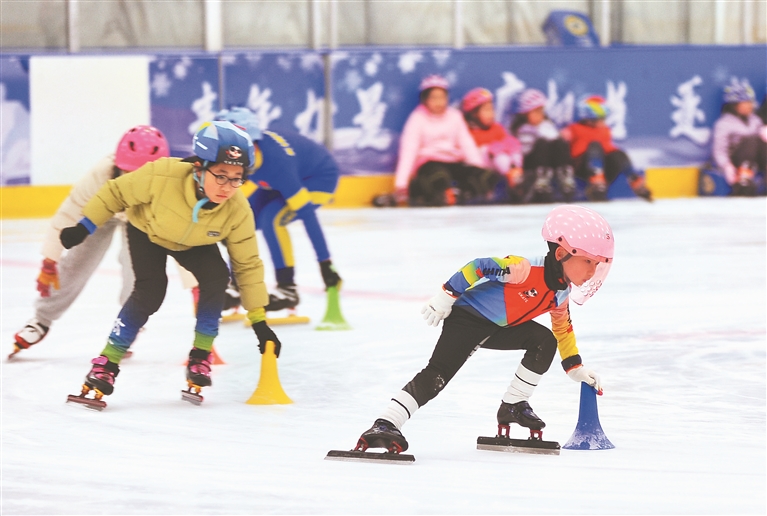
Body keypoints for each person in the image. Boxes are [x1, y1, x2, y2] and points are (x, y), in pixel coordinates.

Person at [354, 204, 613, 454]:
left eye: (598, 264)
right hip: (468, 319)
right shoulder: (521, 269)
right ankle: (386, 423)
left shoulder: (560, 294)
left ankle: (513, 404)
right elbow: (477, 266)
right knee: (438, 375)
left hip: (499, 327)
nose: (593, 271)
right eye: (588, 261)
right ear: (560, 254)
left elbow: (563, 329)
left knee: (544, 340)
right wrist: (447, 296)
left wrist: (575, 367)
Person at [59, 121, 282, 403]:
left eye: (237, 177)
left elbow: (247, 264)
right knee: (151, 291)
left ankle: (200, 356)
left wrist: (259, 321)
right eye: (221, 175)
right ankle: (106, 363)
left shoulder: (237, 210)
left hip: (195, 243)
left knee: (217, 277)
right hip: (147, 231)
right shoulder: (163, 175)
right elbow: (115, 192)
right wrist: (84, 227)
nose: (228, 187)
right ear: (199, 167)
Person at [10, 125, 170, 358]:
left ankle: (130, 322)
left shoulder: (169, 187)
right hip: (101, 211)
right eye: (127, 172)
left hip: (141, 220)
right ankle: (41, 320)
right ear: (117, 165)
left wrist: (196, 284)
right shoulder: (101, 175)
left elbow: (182, 235)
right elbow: (68, 214)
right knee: (76, 261)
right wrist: (49, 260)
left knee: (138, 270)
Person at [213, 107, 342, 313]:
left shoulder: (279, 165)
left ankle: (287, 288)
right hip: (276, 180)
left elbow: (308, 216)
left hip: (317, 179)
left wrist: (325, 263)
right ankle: (236, 285)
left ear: (252, 144)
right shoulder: (243, 157)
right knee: (239, 221)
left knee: (271, 219)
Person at [375, 75, 500, 207]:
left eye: (442, 97)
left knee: (486, 176)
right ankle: (422, 192)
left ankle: (460, 195)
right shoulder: (417, 119)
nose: (439, 102)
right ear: (425, 100)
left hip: (453, 162)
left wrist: (477, 168)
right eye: (434, 98)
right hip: (430, 164)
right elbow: (408, 152)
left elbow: (467, 145)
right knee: (439, 177)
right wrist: (401, 185)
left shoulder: (455, 116)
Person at [562, 95, 652, 202]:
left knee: (618, 153)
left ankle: (634, 181)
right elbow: (562, 143)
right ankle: (596, 182)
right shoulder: (575, 129)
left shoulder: (605, 130)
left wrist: (620, 159)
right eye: (601, 118)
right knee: (595, 146)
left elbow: (610, 150)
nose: (604, 121)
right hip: (582, 166)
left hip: (603, 167)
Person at [509, 88, 576, 203]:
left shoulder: (547, 125)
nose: (539, 115)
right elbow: (525, 150)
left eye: (541, 111)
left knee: (560, 143)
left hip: (550, 161)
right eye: (535, 112)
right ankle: (541, 177)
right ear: (525, 114)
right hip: (531, 162)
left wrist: (560, 137)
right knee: (542, 143)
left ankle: (564, 173)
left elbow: (554, 138)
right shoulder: (523, 129)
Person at [460, 88, 524, 203]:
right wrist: (493, 149)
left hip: (502, 165)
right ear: (473, 114)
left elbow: (506, 142)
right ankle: (511, 178)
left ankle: (516, 176)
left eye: (491, 109)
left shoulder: (497, 128)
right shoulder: (468, 132)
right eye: (486, 110)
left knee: (511, 148)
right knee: (493, 150)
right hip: (482, 168)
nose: (491, 114)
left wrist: (510, 146)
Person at [711, 81, 766, 196]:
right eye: (745, 102)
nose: (749, 105)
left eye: (750, 102)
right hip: (736, 162)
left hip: (756, 161)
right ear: (734, 105)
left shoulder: (755, 120)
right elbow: (719, 150)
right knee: (750, 141)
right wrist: (726, 166)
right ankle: (744, 181)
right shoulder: (724, 123)